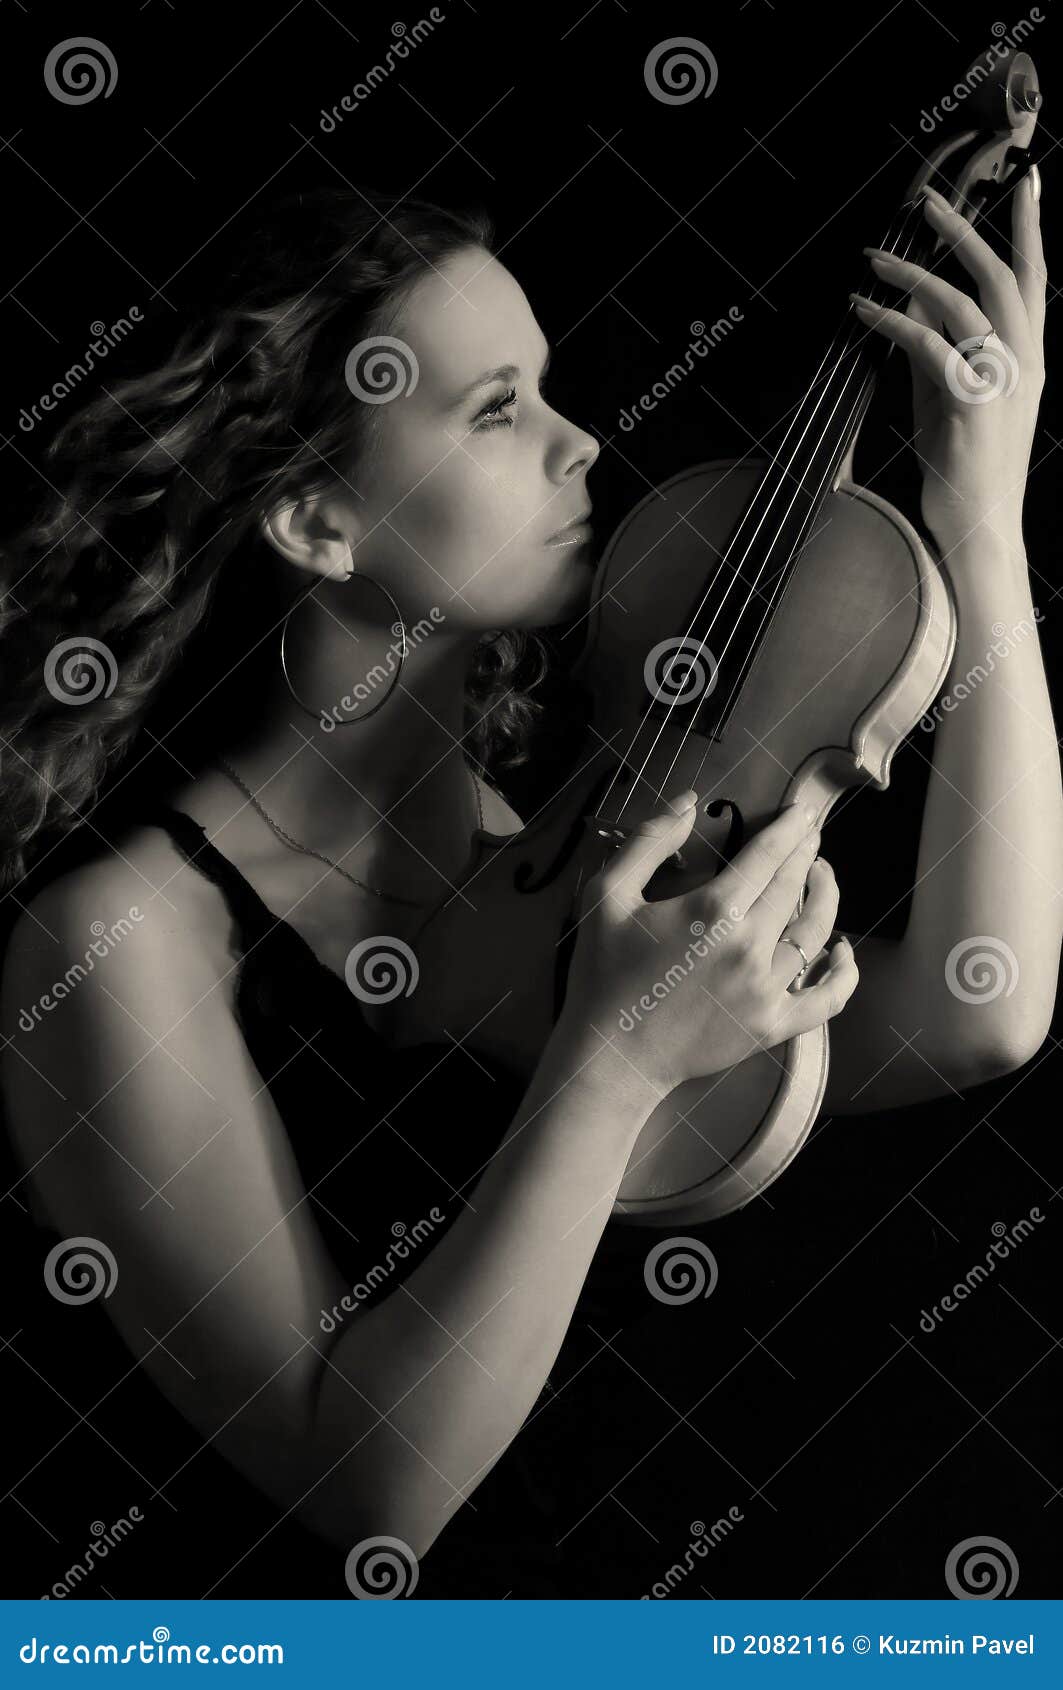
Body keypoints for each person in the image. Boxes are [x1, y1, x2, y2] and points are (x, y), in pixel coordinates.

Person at [0, 176, 1057, 1599]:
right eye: (499, 410)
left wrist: (979, 519)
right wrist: (613, 1063)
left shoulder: (558, 854)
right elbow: (369, 1490)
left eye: (549, 389)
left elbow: (971, 1009)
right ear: (318, 523)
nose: (582, 443)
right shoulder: (114, 943)